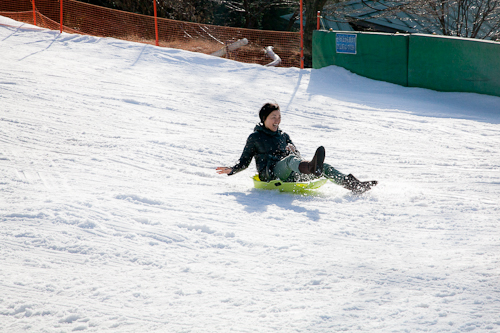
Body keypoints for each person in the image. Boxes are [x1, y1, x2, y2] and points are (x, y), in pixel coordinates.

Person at [216, 102, 377, 193]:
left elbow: (297, 157)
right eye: (273, 117)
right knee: (291, 160)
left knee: (324, 167)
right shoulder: (255, 137)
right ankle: (312, 168)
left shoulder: (284, 135)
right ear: (264, 119)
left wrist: (295, 152)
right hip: (270, 174)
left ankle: (354, 185)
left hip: (291, 175)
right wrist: (232, 169)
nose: (277, 120)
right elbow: (245, 161)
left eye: (279, 117)